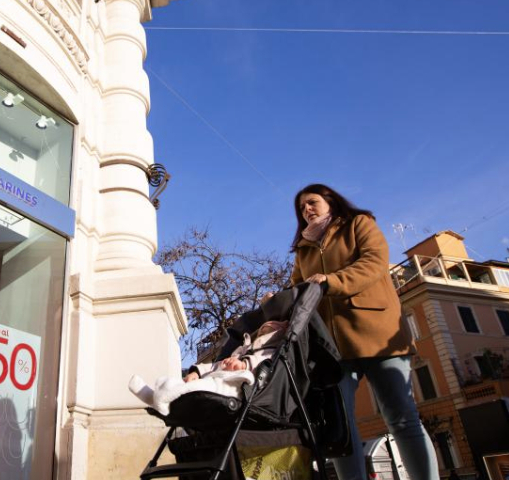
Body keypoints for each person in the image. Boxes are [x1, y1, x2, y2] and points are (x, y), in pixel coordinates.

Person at [288, 184, 438, 480]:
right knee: (339, 428)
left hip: (377, 334)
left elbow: (373, 263)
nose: (306, 209)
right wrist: (279, 301)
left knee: (401, 417)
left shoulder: (359, 223)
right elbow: (297, 289)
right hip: (331, 347)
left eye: (312, 202)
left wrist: (331, 281)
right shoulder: (302, 250)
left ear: (330, 202)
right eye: (301, 207)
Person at [129, 321, 287, 415]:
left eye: (272, 326)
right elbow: (214, 365)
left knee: (197, 388)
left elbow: (265, 362)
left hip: (237, 388)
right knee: (187, 384)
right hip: (217, 380)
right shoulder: (241, 349)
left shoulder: (271, 350)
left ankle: (161, 400)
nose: (268, 324)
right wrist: (197, 372)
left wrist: (244, 364)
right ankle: (156, 396)